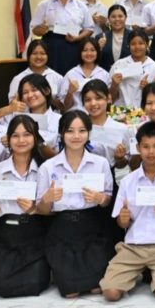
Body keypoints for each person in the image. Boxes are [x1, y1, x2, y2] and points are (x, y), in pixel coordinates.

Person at [100, 121, 155, 303]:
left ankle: (153, 275)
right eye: (146, 147)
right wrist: (123, 219)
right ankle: (139, 273)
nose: (151, 152)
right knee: (110, 293)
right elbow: (121, 222)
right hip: (134, 246)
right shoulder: (128, 181)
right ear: (138, 148)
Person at [36, 110, 115, 297]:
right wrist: (47, 199)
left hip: (92, 227)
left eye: (82, 130)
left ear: (89, 133)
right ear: (61, 134)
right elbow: (41, 210)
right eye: (70, 131)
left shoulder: (100, 163)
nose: (76, 136)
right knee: (71, 292)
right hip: (62, 230)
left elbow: (108, 200)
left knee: (97, 288)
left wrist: (100, 199)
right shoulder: (48, 167)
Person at [0, 115, 51, 298]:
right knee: (2, 286)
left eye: (27, 135)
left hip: (34, 232)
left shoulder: (45, 169)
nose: (21, 140)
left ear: (35, 138)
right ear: (8, 139)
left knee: (35, 284)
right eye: (15, 135)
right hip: (5, 234)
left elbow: (50, 210)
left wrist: (34, 209)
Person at [30, 0, 95, 75]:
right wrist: (41, 30)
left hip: (74, 44)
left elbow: (90, 28)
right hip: (51, 44)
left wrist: (78, 38)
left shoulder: (80, 5)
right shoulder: (44, 4)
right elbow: (35, 29)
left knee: (73, 75)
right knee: (52, 75)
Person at [80, 80, 131, 183]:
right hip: (82, 177)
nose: (93, 103)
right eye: (87, 100)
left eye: (98, 98)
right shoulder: (78, 127)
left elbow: (128, 161)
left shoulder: (121, 129)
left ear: (109, 98)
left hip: (112, 177)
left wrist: (120, 159)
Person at [4, 39, 64, 108]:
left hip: (51, 114)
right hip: (25, 114)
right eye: (34, 53)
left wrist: (47, 96)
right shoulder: (18, 79)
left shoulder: (57, 78)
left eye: (42, 53)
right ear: (28, 56)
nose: (38, 57)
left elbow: (62, 106)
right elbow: (12, 106)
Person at [58, 37, 112, 111]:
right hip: (76, 115)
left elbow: (109, 102)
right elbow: (66, 107)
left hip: (98, 114)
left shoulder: (105, 74)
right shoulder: (71, 74)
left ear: (97, 52)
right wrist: (70, 92)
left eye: (92, 50)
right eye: (85, 50)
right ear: (80, 53)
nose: (89, 53)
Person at [109, 30, 155, 108]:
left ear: (147, 45)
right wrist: (114, 85)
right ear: (128, 45)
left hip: (146, 111)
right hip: (121, 111)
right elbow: (110, 98)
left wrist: (148, 89)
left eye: (141, 43)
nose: (137, 47)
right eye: (133, 44)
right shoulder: (118, 65)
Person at [98, 4, 135, 71]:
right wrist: (99, 49)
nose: (117, 19)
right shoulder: (100, 37)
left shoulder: (134, 36)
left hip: (129, 74)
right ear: (108, 19)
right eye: (113, 17)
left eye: (120, 16)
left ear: (125, 17)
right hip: (106, 74)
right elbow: (94, 61)